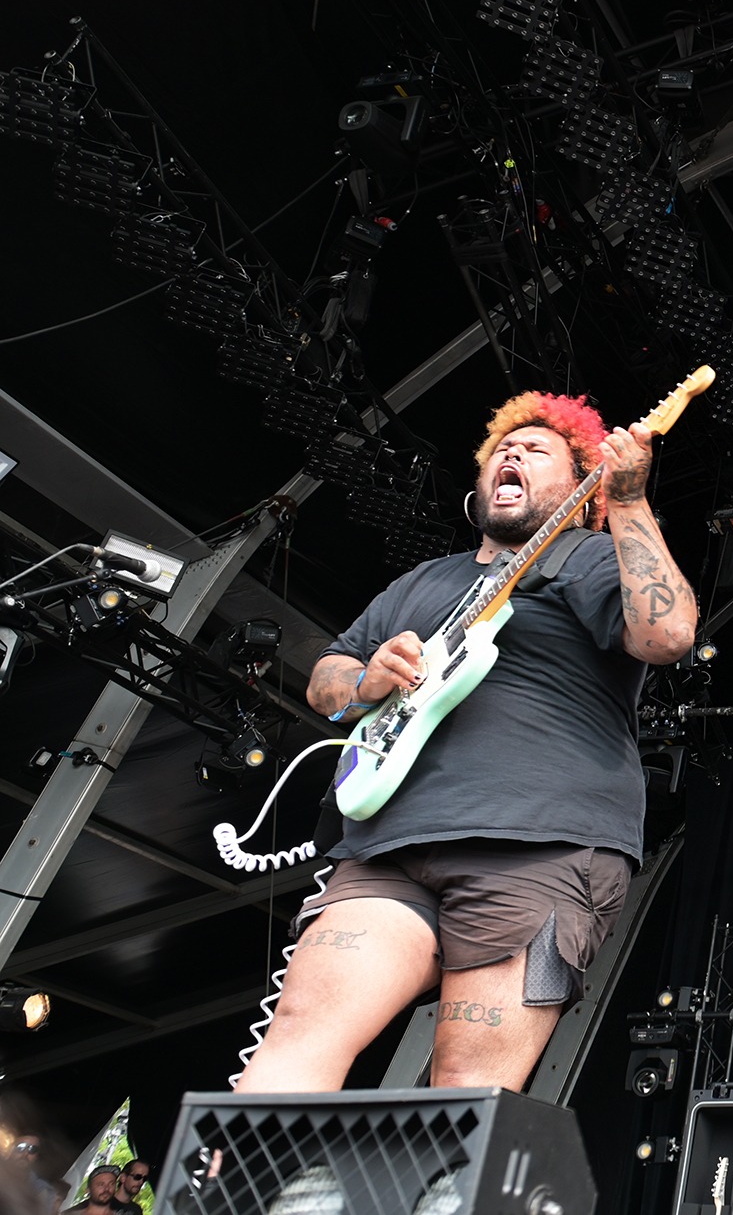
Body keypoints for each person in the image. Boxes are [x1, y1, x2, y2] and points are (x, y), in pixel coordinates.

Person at [234, 391, 697, 1093]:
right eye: (502, 450)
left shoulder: (592, 558)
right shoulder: (423, 580)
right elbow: (325, 678)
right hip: (389, 845)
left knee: (464, 1088)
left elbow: (668, 636)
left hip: (542, 844)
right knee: (302, 1036)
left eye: (537, 450)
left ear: (584, 487)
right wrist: (365, 680)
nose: (513, 454)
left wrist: (629, 502)